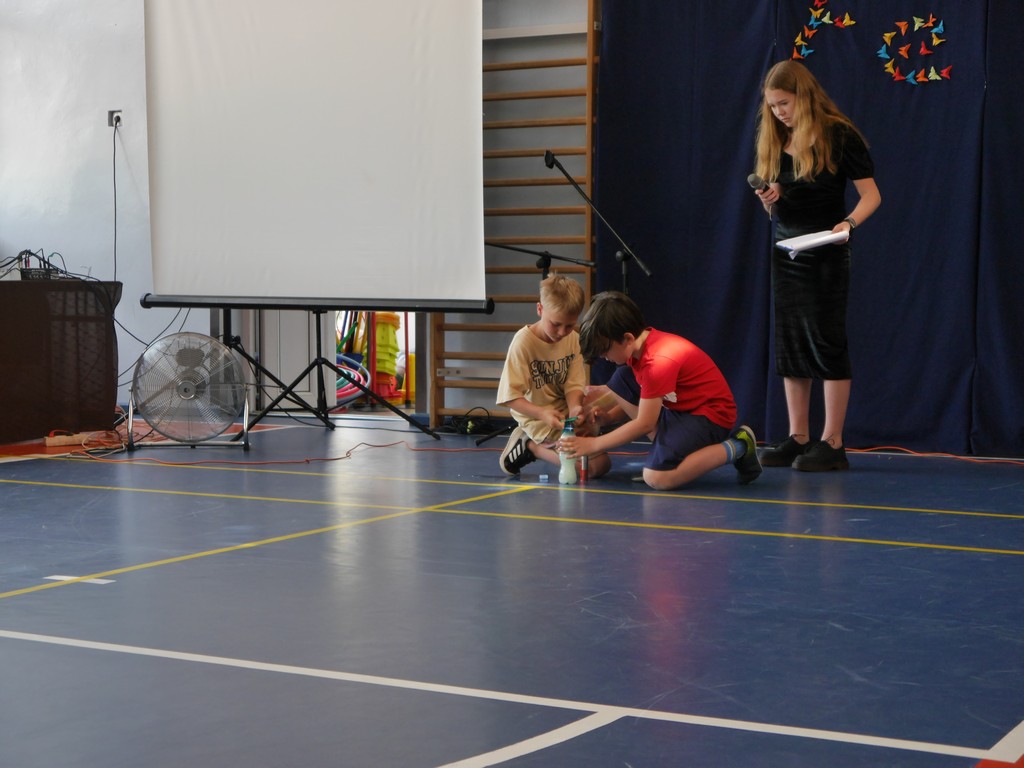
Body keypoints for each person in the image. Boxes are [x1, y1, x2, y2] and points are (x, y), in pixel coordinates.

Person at [752, 60, 881, 472]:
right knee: (791, 342)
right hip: (786, 250)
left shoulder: (837, 134)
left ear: (803, 97)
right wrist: (770, 197)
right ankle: (799, 436)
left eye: (784, 104)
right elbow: (780, 200)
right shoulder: (777, 137)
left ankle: (833, 441)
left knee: (826, 341)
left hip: (826, 250)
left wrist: (848, 224)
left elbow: (872, 196)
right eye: (772, 106)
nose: (779, 113)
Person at [559, 291, 761, 490]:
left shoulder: (657, 362)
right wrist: (609, 418)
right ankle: (665, 452)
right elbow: (647, 398)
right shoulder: (639, 348)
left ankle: (739, 446)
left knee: (656, 477)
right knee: (621, 380)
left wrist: (594, 445)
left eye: (604, 350)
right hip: (683, 411)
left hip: (711, 416)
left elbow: (645, 423)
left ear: (627, 338)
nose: (604, 357)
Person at [496, 274, 611, 478]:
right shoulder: (523, 342)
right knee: (591, 469)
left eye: (569, 325)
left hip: (563, 412)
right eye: (556, 324)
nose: (562, 332)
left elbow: (573, 385)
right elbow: (510, 397)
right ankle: (530, 445)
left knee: (618, 396)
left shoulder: (573, 339)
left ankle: (574, 439)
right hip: (538, 418)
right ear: (540, 309)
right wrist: (542, 414)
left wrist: (575, 407)